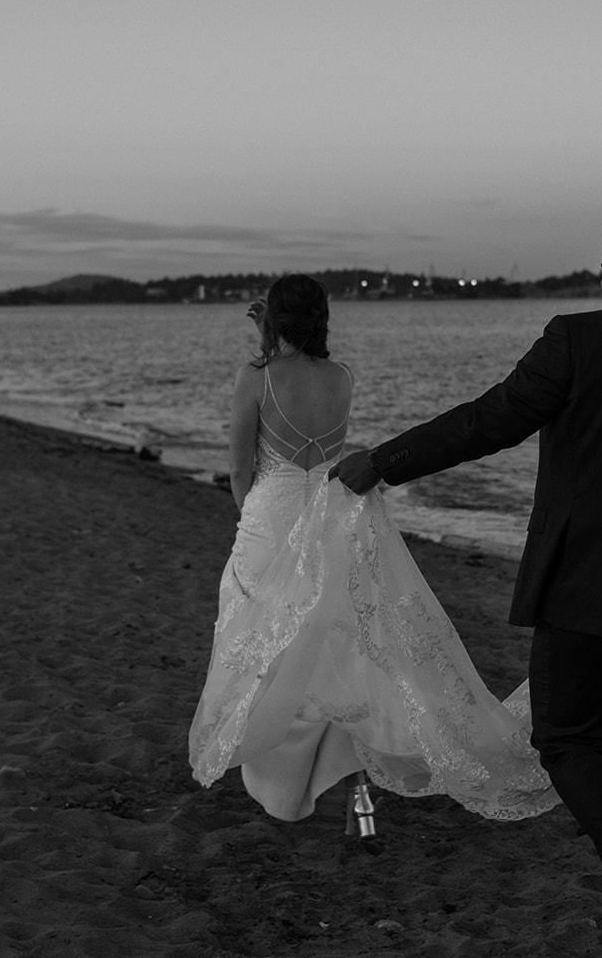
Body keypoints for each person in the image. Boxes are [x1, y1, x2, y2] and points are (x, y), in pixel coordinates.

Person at [331, 207, 602, 957]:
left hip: (586, 586)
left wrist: (382, 461)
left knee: (567, 743)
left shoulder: (577, 339)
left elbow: (488, 421)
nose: (600, 276)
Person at [187, 273, 558, 845]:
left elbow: (241, 469)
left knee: (271, 657)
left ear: (273, 320)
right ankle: (358, 790)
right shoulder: (341, 377)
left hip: (272, 519)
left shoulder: (255, 377)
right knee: (341, 656)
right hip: (333, 517)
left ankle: (282, 786)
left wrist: (252, 521)